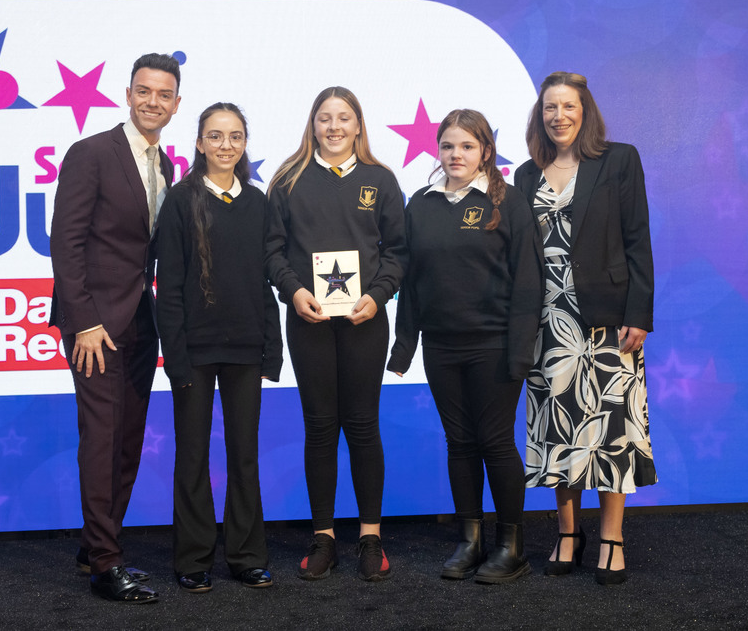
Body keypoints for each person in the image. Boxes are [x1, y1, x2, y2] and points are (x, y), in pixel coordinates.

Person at [387, 109, 543, 584]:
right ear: (438, 150)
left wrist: (520, 351)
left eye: (468, 146)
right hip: (441, 346)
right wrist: (404, 346)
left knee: (495, 441)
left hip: (494, 345)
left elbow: (528, 282)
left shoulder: (508, 202)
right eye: (448, 146)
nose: (456, 155)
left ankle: (511, 546)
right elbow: (411, 283)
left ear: (486, 152)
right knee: (459, 442)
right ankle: (470, 540)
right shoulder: (421, 204)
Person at [49, 52, 181, 604]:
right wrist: (83, 321)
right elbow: (65, 242)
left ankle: (95, 546)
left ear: (176, 104)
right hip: (95, 327)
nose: (153, 101)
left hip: (141, 322)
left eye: (164, 94)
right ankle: (106, 563)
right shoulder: (92, 153)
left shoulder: (166, 165)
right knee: (102, 440)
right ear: (127, 95)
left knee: (127, 440)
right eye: (143, 91)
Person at [514, 71, 657, 585]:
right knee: (560, 428)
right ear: (540, 116)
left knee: (610, 428)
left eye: (568, 106)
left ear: (585, 111)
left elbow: (637, 239)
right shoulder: (526, 174)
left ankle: (612, 537)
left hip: (607, 320)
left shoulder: (619, 160)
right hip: (546, 321)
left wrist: (638, 313)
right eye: (550, 108)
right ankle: (568, 533)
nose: (559, 116)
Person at [265, 86, 406, 582]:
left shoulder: (380, 180)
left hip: (366, 320)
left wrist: (379, 294)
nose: (334, 127)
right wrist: (294, 292)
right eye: (325, 118)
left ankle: (370, 537)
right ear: (313, 124)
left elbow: (399, 252)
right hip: (309, 320)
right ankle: (323, 536)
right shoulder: (288, 179)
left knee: (363, 425)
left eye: (344, 118)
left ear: (358, 125)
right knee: (321, 426)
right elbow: (272, 251)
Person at [156, 103, 283, 593]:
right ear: (199, 143)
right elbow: (169, 288)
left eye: (234, 136)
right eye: (215, 136)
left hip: (246, 348)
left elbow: (264, 280)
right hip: (194, 351)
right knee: (192, 456)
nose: (225, 145)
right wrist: (175, 358)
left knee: (244, 455)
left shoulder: (257, 202)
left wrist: (272, 349)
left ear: (244, 143)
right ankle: (192, 558)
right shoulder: (180, 200)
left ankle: (247, 556)